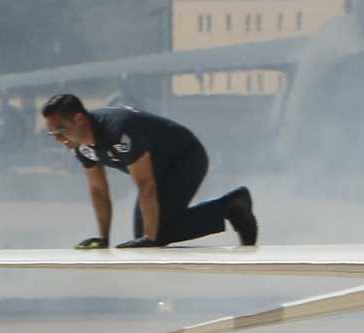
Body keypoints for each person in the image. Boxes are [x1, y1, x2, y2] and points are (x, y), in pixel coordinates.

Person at [40, 93, 258, 248]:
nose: (59, 139)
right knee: (149, 234)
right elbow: (98, 190)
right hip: (158, 171)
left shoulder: (118, 130)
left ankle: (231, 206)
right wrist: (103, 239)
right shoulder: (81, 145)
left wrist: (151, 237)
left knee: (154, 235)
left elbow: (146, 185)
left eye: (61, 131)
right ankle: (230, 207)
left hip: (185, 158)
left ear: (79, 119)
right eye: (53, 134)